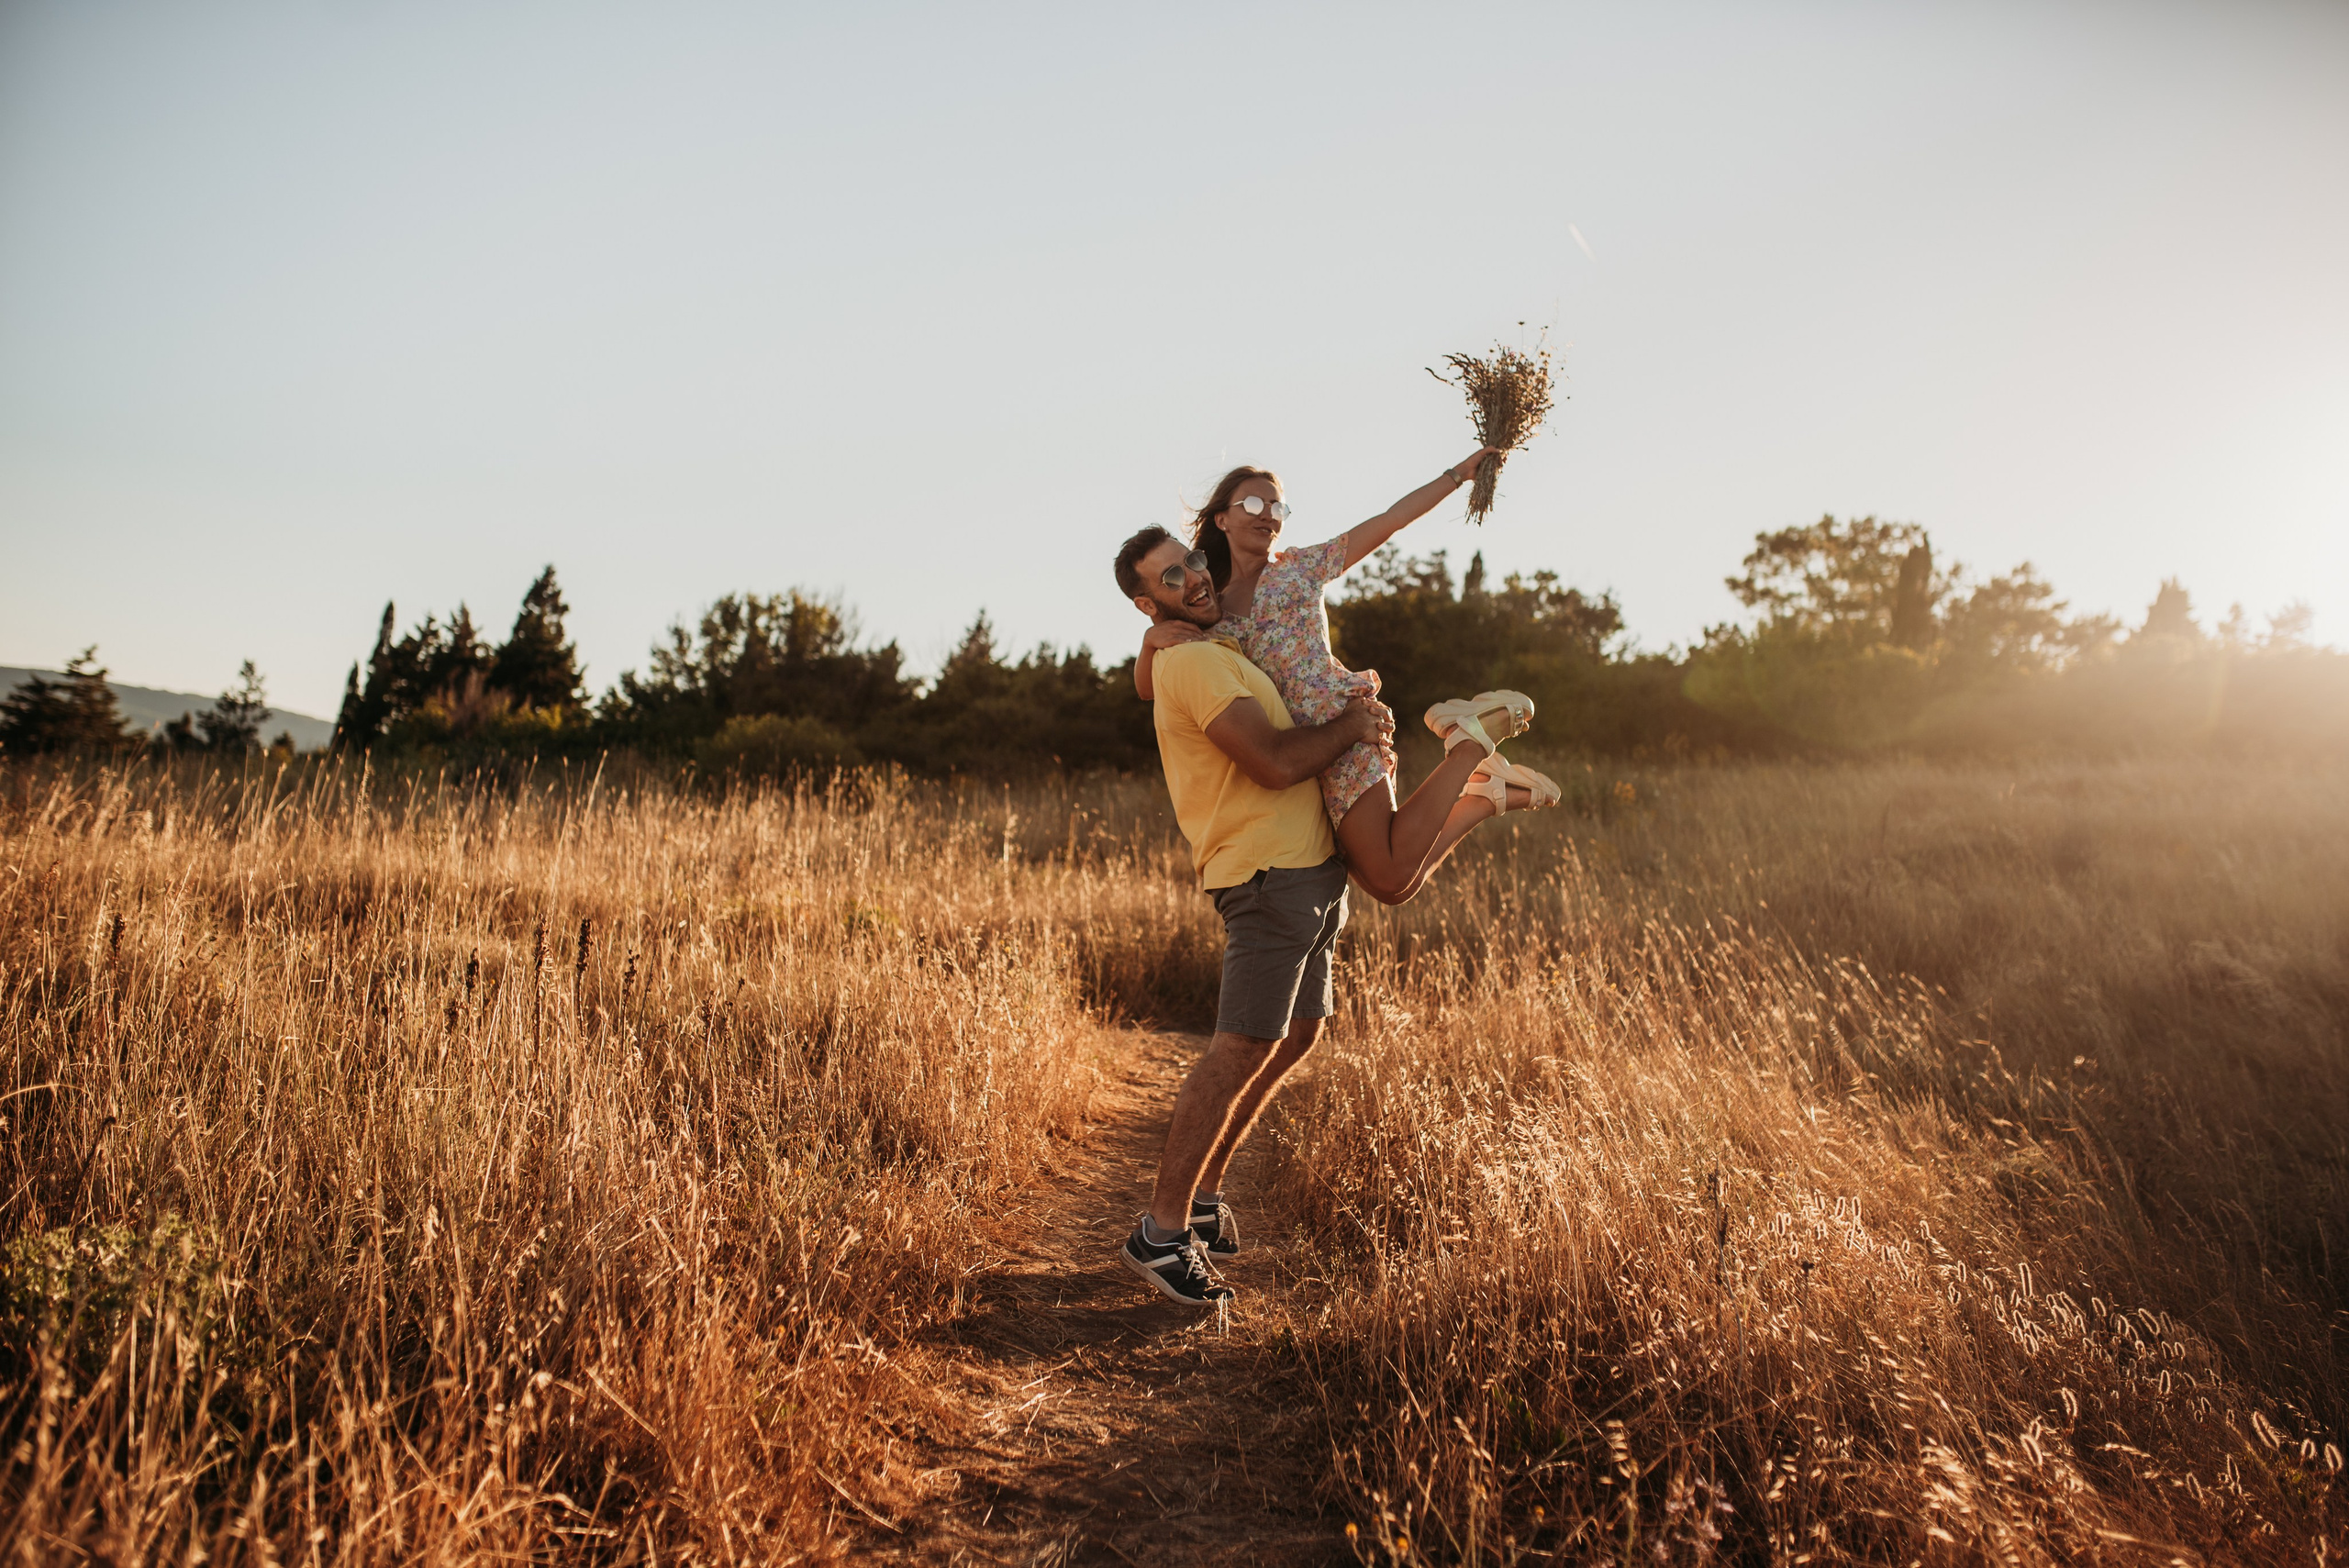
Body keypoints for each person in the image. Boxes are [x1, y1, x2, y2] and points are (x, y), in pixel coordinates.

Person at [1106, 526, 1552, 1307]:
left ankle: (1203, 1195)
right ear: (1149, 602)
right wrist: (1352, 727)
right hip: (1267, 875)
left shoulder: (1212, 648)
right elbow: (1274, 759)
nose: (1195, 577)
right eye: (1172, 577)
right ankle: (1161, 1231)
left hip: (1309, 870)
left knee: (1297, 1033)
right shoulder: (1200, 662)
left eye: (1194, 561)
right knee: (1238, 1046)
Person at [1135, 454, 1560, 906]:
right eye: (1255, 503)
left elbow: (1390, 521)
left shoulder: (1299, 567)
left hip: (1341, 726)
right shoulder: (1207, 608)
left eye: (1278, 508)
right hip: (1298, 750)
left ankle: (1470, 740)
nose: (1268, 515)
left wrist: (1457, 476)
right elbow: (1148, 689)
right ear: (1221, 517)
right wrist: (1149, 642)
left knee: (1391, 873)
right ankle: (1484, 795)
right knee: (1386, 884)